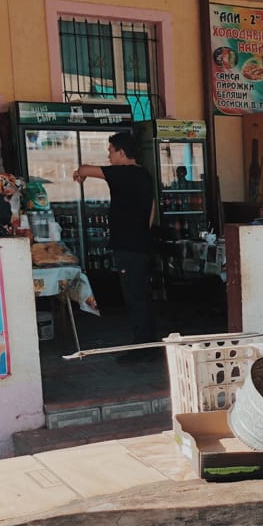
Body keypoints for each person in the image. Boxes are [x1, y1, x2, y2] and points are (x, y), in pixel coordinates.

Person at [73, 132, 156, 362]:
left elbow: (84, 168)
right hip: (141, 243)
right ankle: (149, 343)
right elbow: (151, 210)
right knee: (141, 295)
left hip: (128, 246)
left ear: (121, 152)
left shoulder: (123, 173)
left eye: (110, 151)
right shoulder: (143, 174)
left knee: (135, 297)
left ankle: (143, 348)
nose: (108, 156)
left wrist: (80, 175)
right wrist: (142, 233)